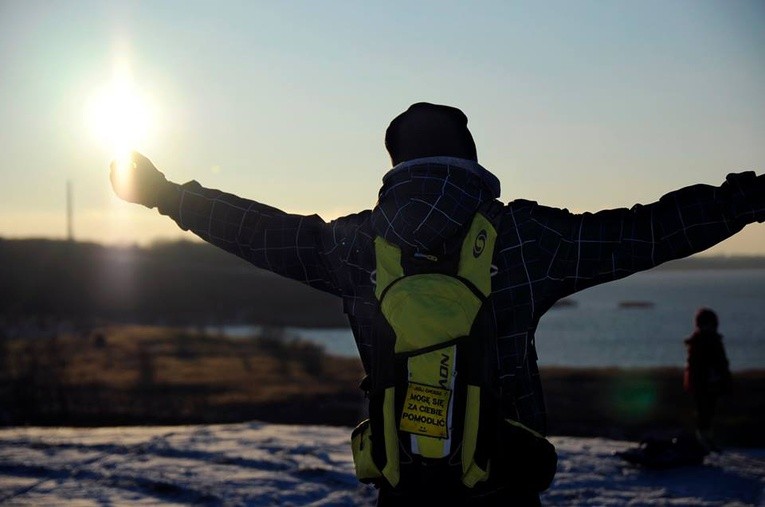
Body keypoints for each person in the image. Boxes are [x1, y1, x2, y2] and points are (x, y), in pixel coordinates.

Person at [110, 102, 764, 505]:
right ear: (469, 161)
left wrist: (163, 192)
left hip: (404, 486)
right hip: (506, 483)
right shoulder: (523, 237)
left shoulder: (353, 244)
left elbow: (255, 227)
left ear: (396, 164)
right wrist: (745, 197)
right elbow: (647, 229)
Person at [683, 307, 732, 451]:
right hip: (704, 384)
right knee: (704, 412)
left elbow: (721, 363)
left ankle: (706, 439)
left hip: (710, 383)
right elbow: (699, 366)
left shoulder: (706, 341)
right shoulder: (701, 342)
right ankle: (703, 440)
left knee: (708, 412)